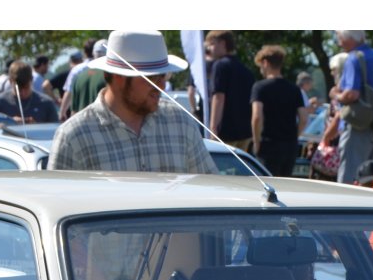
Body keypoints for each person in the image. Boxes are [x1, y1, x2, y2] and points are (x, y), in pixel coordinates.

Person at [49, 30, 214, 174]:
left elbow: (210, 190)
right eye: (152, 78)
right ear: (119, 78)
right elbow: (57, 202)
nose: (162, 85)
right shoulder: (74, 136)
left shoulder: (181, 123)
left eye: (164, 76)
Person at [332, 30, 373, 185]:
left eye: (340, 38)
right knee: (370, 178)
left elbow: (352, 94)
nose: (339, 43)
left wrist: (336, 96)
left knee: (349, 178)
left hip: (358, 126)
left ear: (349, 38)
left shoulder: (353, 58)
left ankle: (344, 209)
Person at [250, 44, 306, 177]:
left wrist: (257, 142)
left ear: (265, 63)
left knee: (267, 185)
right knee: (285, 185)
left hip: (268, 145)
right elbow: (304, 118)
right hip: (289, 146)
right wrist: (294, 137)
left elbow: (257, 117)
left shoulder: (260, 87)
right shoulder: (294, 89)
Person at [206, 30, 254, 149]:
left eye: (212, 44)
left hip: (226, 132)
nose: (210, 49)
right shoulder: (246, 70)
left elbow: (218, 97)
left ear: (222, 43)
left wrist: (212, 128)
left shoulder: (220, 65)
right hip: (245, 133)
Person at [0, 60, 57, 124]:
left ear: (32, 80)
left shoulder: (46, 103)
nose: (22, 93)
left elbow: (55, 130)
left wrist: (36, 126)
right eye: (18, 89)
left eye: (26, 88)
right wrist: (10, 123)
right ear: (10, 81)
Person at [62, 40, 106, 120]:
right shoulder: (111, 75)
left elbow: (68, 93)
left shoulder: (77, 71)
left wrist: (62, 112)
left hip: (80, 123)